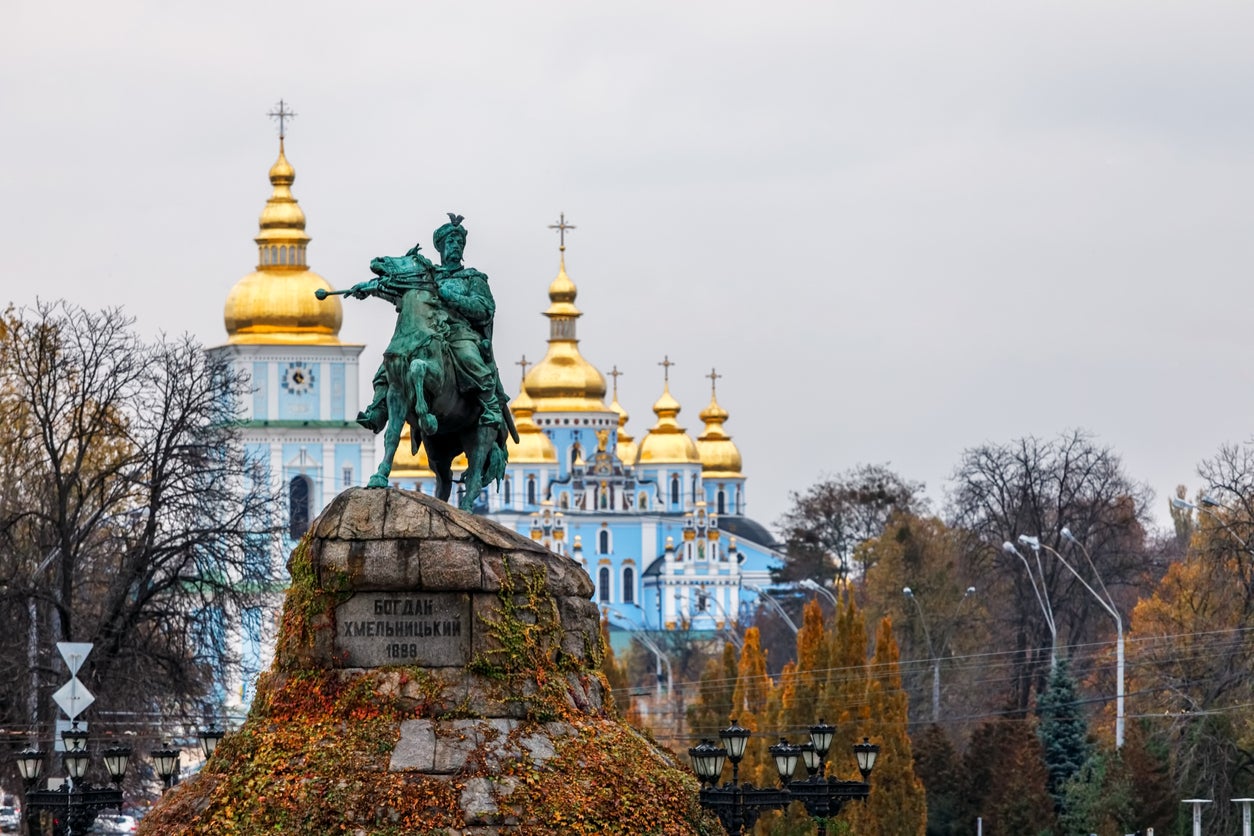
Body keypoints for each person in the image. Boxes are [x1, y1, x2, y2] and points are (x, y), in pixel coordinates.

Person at [355, 214, 504, 435]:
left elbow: (484, 310)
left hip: (459, 333)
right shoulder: (428, 276)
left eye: (459, 242)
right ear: (441, 248)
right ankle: (378, 410)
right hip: (428, 330)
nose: (455, 246)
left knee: (469, 357)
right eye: (450, 242)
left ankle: (490, 405)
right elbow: (400, 291)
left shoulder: (473, 278)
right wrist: (369, 289)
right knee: (390, 364)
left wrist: (451, 297)